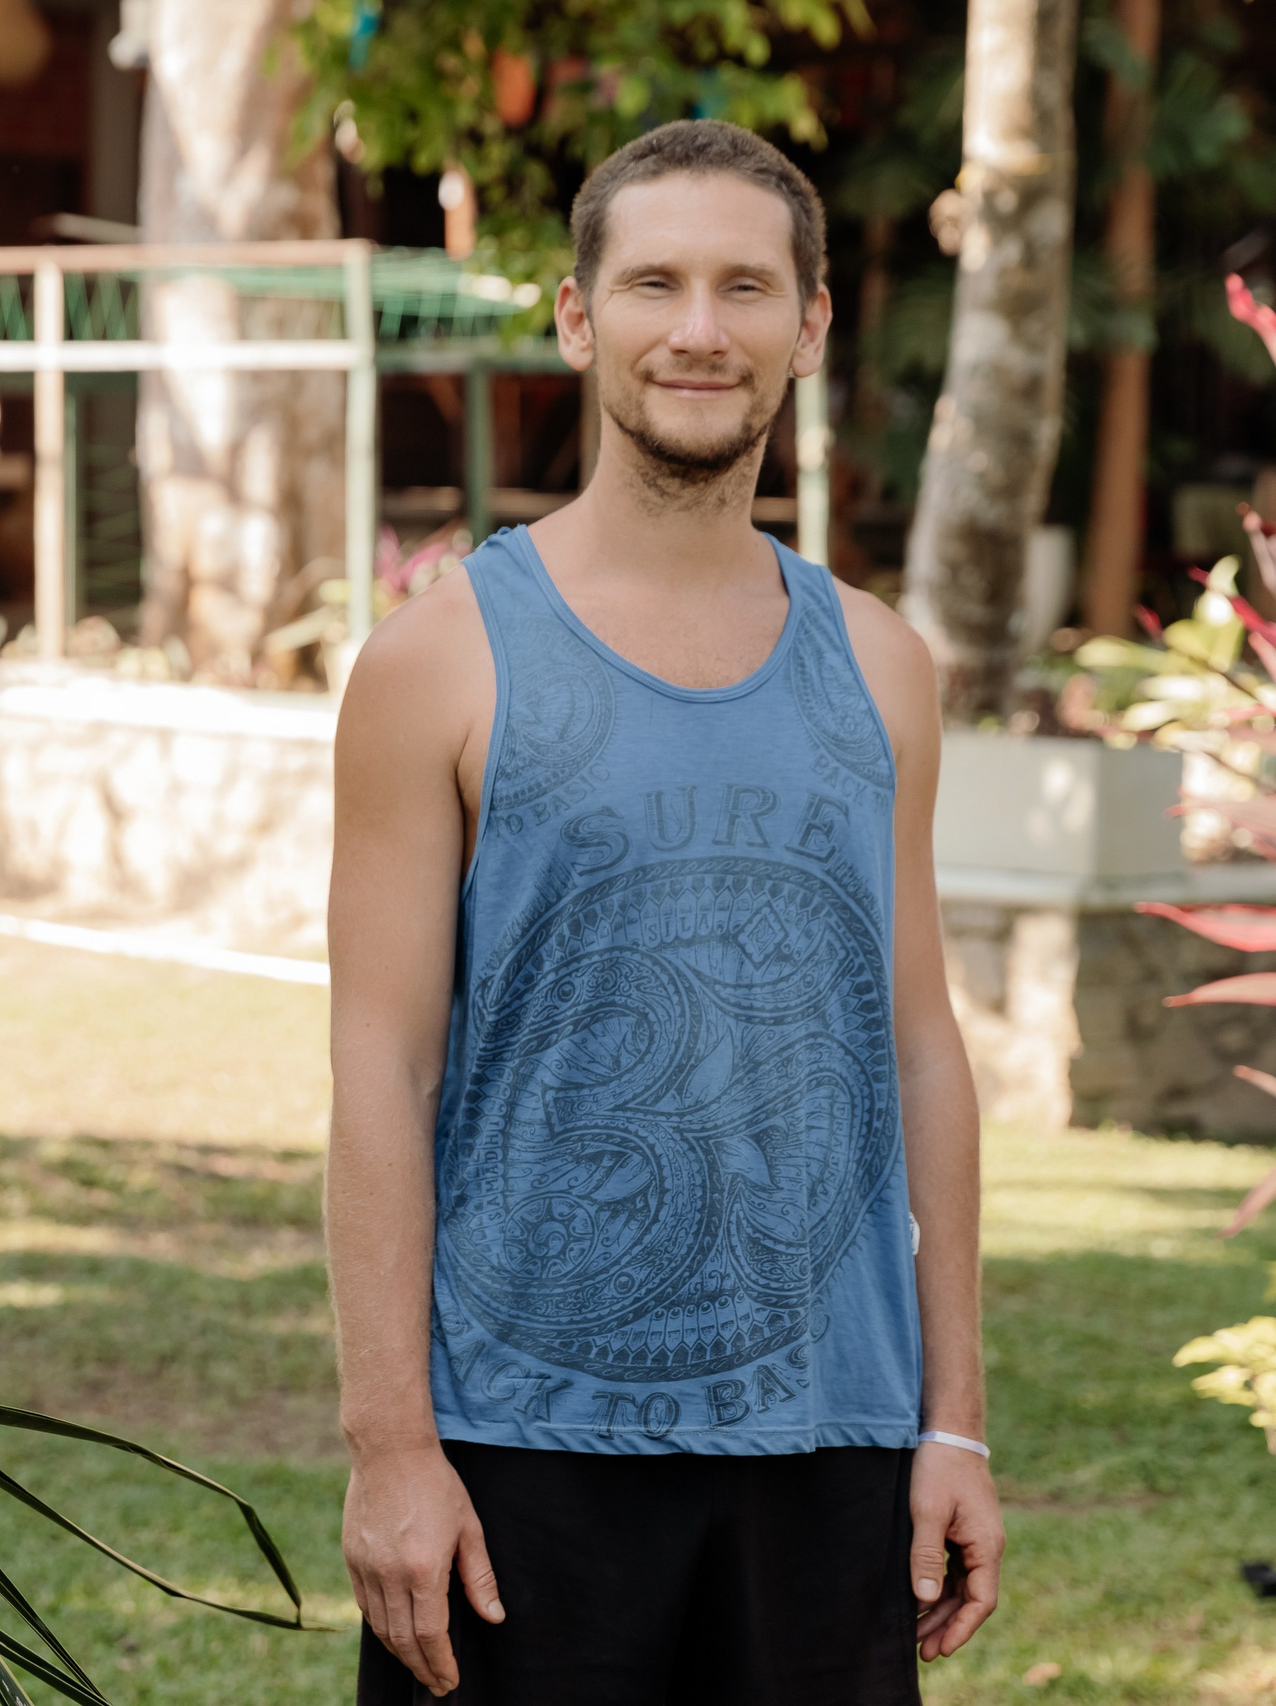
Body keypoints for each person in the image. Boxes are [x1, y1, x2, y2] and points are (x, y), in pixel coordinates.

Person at [326, 119, 1003, 1705]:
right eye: (654, 283)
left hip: (836, 1441)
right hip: (516, 1452)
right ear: (579, 317)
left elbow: (921, 1045)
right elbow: (380, 1068)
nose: (700, 329)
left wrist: (952, 1417)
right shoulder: (441, 658)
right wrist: (390, 1443)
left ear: (811, 327)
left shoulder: (886, 665)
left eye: (747, 287)